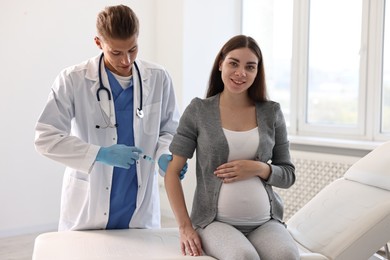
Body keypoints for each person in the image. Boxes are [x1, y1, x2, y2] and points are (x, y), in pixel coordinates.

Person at [34, 4, 186, 231]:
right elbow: (46, 138)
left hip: (138, 201)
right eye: (116, 52)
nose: (126, 60)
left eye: (133, 49)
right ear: (98, 43)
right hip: (89, 204)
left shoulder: (158, 78)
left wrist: (166, 155)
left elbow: (169, 130)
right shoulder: (73, 79)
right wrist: (99, 154)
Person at [164, 35, 300, 259]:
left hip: (265, 222)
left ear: (257, 72)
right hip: (215, 222)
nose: (241, 73)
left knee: (287, 255)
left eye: (250, 67)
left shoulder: (271, 112)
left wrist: (258, 168)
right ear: (221, 64)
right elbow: (172, 172)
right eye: (233, 63)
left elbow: (288, 175)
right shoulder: (199, 110)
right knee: (242, 257)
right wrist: (184, 227)